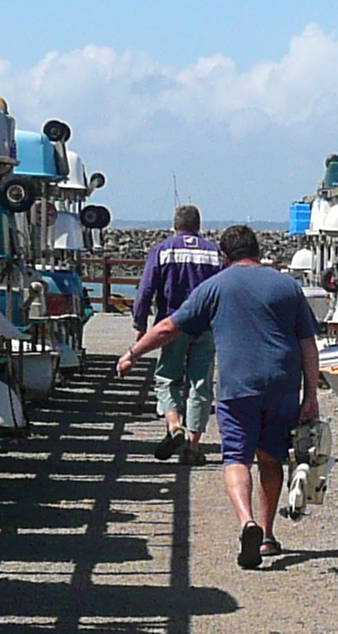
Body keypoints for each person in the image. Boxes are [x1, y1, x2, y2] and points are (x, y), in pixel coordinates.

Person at [125, 224, 322, 569]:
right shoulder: (287, 286)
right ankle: (267, 534)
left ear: (224, 256)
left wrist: (133, 353)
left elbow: (169, 327)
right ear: (258, 250)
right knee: (271, 458)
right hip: (281, 383)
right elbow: (308, 343)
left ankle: (246, 521)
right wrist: (311, 394)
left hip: (237, 387)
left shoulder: (215, 286)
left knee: (236, 458)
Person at [129, 205, 222, 460]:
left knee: (167, 377)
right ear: (198, 225)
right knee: (200, 384)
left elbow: (145, 290)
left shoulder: (163, 250)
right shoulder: (214, 253)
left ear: (175, 225)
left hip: (171, 324)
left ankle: (173, 423)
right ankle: (192, 446)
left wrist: (140, 325)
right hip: (205, 326)